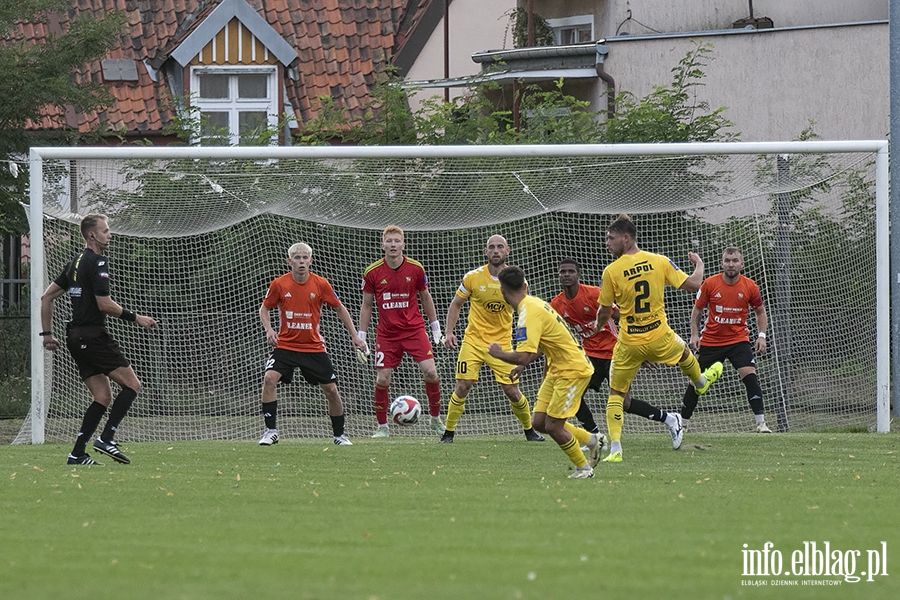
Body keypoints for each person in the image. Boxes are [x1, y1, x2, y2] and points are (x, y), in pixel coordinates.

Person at [596, 214, 723, 462]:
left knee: (615, 395)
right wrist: (699, 264)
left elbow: (603, 311)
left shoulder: (611, 271)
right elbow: (696, 283)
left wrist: (598, 325)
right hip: (659, 337)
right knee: (685, 354)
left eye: (610, 238)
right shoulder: (658, 261)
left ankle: (616, 450)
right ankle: (699, 382)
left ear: (625, 238)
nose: (607, 243)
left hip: (629, 343)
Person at [39, 213, 158, 466]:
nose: (110, 235)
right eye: (105, 231)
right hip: (92, 336)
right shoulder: (97, 261)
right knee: (133, 385)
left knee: (102, 396)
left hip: (75, 337)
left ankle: (77, 454)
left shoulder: (75, 262)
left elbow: (46, 297)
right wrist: (137, 318)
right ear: (92, 235)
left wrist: (47, 335)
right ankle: (107, 438)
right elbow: (104, 305)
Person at [488, 266, 604, 479]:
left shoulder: (527, 313)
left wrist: (499, 353)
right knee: (539, 423)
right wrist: (522, 365)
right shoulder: (535, 303)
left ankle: (584, 468)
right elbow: (540, 346)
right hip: (557, 369)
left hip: (572, 370)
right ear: (525, 286)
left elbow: (523, 354)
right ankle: (592, 440)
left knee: (553, 426)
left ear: (502, 290)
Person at [550, 259, 682, 443]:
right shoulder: (557, 304)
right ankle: (595, 436)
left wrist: (636, 349)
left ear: (578, 275)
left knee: (624, 403)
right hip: (589, 356)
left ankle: (669, 418)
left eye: (571, 271)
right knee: (574, 396)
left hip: (615, 353)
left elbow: (623, 318)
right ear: (558, 275)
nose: (566, 275)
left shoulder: (594, 294)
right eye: (562, 272)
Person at [258, 242, 369, 447]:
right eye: (297, 258)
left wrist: (355, 335)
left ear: (311, 261)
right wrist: (269, 329)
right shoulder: (279, 284)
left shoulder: (321, 284)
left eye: (305, 258)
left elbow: (339, 309)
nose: (301, 261)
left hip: (313, 347)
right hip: (286, 346)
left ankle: (339, 436)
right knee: (269, 379)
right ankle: (270, 432)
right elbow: (264, 309)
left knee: (332, 391)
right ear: (289, 261)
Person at [440, 235, 544, 443]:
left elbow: (527, 312)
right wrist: (449, 332)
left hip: (502, 344)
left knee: (512, 391)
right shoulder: (473, 277)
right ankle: (448, 433)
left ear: (508, 251)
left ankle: (529, 431)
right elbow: (456, 303)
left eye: (500, 247)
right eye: (491, 247)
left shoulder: (518, 282)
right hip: (473, 341)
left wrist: (526, 343)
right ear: (485, 252)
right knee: (463, 385)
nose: (495, 251)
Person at [358, 225, 445, 437]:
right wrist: (361, 336)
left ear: (403, 244)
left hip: (414, 330)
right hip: (387, 334)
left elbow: (425, 297)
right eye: (389, 241)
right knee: (382, 379)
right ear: (383, 245)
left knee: (431, 372)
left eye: (397, 241)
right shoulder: (372, 272)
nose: (393, 245)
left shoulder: (416, 268)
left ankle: (435, 420)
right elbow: (367, 305)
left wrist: (435, 328)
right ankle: (382, 428)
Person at [681, 246, 771, 432]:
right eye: (728, 261)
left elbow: (760, 312)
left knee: (750, 375)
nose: (731, 264)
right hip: (711, 340)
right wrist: (695, 334)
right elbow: (697, 310)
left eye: (735, 261)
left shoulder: (750, 286)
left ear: (741, 264)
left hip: (738, 340)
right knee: (695, 381)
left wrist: (762, 336)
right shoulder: (710, 284)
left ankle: (761, 424)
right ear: (721, 263)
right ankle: (682, 425)